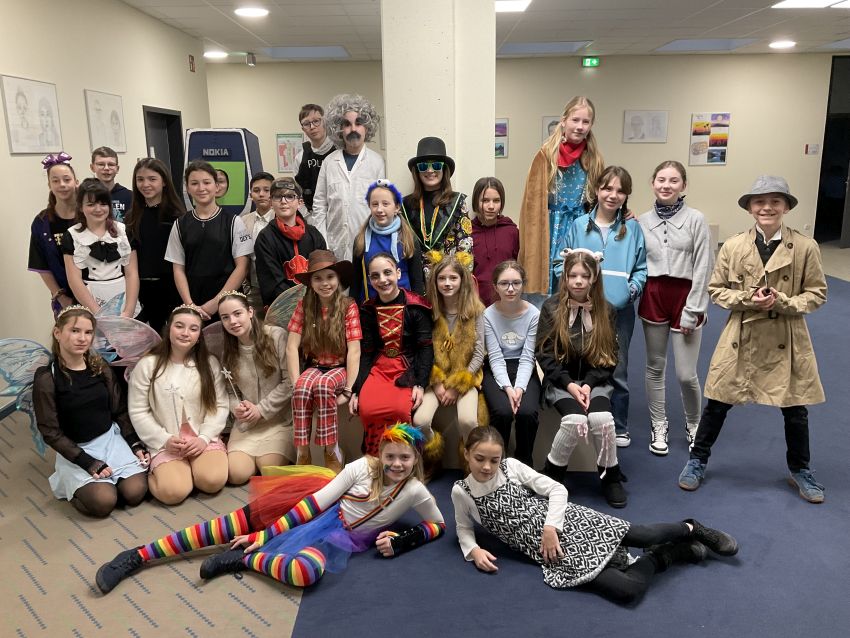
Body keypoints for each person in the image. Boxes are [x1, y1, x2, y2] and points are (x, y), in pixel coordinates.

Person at [95, 423, 444, 593]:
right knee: (224, 527)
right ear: (379, 454)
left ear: (416, 460)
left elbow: (438, 525)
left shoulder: (415, 492)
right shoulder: (361, 468)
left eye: (404, 458)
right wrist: (264, 534)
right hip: (302, 506)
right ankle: (138, 555)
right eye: (390, 456)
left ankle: (244, 561)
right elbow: (313, 504)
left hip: (334, 538)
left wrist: (402, 540)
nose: (396, 464)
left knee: (307, 572)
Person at [452, 427, 738, 603]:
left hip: (566, 522)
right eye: (479, 459)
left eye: (494, 460)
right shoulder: (462, 491)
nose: (487, 467)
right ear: (466, 454)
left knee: (643, 534)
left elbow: (557, 490)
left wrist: (551, 527)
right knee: (627, 591)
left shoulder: (511, 467)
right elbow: (463, 528)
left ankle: (692, 527)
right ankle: (669, 554)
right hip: (553, 554)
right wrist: (474, 550)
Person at [678, 176, 828, 504]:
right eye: (759, 202)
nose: (767, 208)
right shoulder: (734, 246)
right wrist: (748, 298)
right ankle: (697, 459)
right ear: (749, 208)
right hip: (741, 334)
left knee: (795, 408)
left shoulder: (805, 247)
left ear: (786, 207)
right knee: (718, 401)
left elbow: (817, 294)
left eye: (775, 201)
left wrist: (782, 302)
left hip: (786, 335)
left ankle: (800, 469)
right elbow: (716, 290)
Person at [33, 305, 149, 517]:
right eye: (74, 331)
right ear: (57, 333)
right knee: (104, 502)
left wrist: (133, 442)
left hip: (109, 440)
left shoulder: (99, 366)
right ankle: (71, 486)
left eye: (88, 332)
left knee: (135, 493)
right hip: (77, 448)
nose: (82, 338)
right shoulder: (47, 378)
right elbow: (50, 431)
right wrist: (87, 462)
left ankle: (112, 478)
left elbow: (119, 410)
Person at [536, 249, 627, 508]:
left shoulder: (607, 310)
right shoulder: (551, 308)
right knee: (575, 420)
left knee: (602, 420)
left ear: (594, 278)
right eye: (573, 275)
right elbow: (544, 354)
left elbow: (610, 356)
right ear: (564, 277)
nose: (578, 281)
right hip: (561, 382)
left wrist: (588, 384)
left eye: (585, 276)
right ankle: (553, 474)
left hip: (595, 381)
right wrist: (570, 384)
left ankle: (610, 475)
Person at [565, 167, 646, 448]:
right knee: (583, 364)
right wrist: (575, 291)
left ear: (626, 195)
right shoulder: (579, 225)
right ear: (597, 190)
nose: (613, 195)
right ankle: (586, 420)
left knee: (618, 368)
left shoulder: (632, 228)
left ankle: (619, 426)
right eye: (607, 188)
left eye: (620, 191)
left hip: (619, 312)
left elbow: (641, 268)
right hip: (583, 308)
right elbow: (561, 264)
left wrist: (630, 291)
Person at [638, 161, 714, 455]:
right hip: (654, 295)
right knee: (655, 367)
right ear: (652, 183)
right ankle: (659, 424)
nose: (666, 185)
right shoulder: (642, 221)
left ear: (683, 185)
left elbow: (704, 265)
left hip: (686, 297)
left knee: (685, 373)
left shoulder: (696, 219)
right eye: (661, 179)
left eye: (673, 180)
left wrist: (694, 309)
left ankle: (694, 424)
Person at [128, 305, 229, 505]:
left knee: (212, 481)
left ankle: (193, 470)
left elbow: (220, 405)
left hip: (201, 436)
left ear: (199, 336)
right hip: (166, 439)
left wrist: (204, 438)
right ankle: (163, 472)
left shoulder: (209, 363)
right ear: (168, 328)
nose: (185, 333)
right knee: (173, 493)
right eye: (179, 326)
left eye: (193, 329)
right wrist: (164, 439)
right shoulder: (148, 365)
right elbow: (138, 411)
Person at [518, 96, 605, 295]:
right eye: (575, 120)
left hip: (580, 227)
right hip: (550, 227)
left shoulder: (594, 158)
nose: (580, 126)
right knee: (549, 283)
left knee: (578, 280)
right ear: (564, 120)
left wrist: (623, 212)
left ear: (591, 125)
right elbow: (531, 205)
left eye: (586, 122)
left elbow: (603, 197)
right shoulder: (546, 155)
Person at [286, 250, 361, 473]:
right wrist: (295, 383)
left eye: (330, 277)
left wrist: (348, 389)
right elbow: (291, 347)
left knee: (323, 385)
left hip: (339, 368)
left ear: (338, 279)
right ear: (311, 283)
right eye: (318, 278)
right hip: (316, 365)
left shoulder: (348, 306)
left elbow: (354, 350)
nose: (325, 283)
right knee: (302, 389)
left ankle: (332, 450)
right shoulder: (304, 306)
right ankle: (302, 453)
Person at [351, 253, 434, 455]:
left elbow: (425, 348)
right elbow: (367, 352)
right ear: (370, 280)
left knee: (400, 410)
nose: (382, 280)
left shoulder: (417, 306)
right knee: (367, 409)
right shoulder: (368, 310)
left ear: (398, 273)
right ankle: (375, 460)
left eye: (387, 272)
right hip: (379, 368)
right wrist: (356, 390)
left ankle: (405, 460)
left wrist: (420, 384)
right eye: (375, 276)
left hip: (407, 368)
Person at [412, 254, 486, 458]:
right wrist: (436, 383)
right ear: (434, 282)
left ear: (462, 280)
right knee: (420, 421)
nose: (447, 283)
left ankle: (471, 460)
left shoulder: (476, 310)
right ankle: (432, 457)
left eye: (453, 278)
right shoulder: (427, 310)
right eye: (442, 278)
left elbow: (479, 352)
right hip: (436, 378)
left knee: (468, 421)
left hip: (466, 377)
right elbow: (422, 350)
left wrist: (458, 385)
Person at [218, 291, 294, 485]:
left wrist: (261, 409)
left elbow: (290, 382)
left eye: (237, 313)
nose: (232, 321)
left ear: (250, 312)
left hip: (279, 420)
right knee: (237, 474)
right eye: (225, 317)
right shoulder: (228, 351)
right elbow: (229, 391)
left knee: (269, 471)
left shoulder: (276, 336)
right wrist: (237, 408)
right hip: (247, 424)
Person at [165, 160, 253, 321]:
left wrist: (216, 302)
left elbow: (242, 267)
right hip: (192, 305)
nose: (201, 188)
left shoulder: (233, 222)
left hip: (228, 305)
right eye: (194, 183)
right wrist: (190, 305)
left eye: (206, 182)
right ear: (187, 188)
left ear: (216, 186)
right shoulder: (180, 224)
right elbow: (178, 269)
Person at [311, 94, 385, 261]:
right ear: (339, 128)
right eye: (347, 124)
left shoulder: (377, 162)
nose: (353, 129)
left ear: (367, 127)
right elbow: (320, 205)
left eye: (358, 123)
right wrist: (323, 244)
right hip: (333, 246)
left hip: (367, 246)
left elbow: (381, 207)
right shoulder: (329, 163)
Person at [482, 261, 541, 467]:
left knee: (527, 413)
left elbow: (528, 356)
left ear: (523, 285)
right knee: (502, 412)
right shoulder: (488, 314)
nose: (510, 289)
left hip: (524, 366)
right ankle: (499, 463)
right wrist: (508, 388)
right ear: (495, 286)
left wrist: (520, 388)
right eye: (504, 283)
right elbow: (495, 356)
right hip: (497, 367)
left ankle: (524, 463)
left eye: (516, 283)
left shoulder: (533, 314)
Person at [61, 178, 140, 317]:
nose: (98, 209)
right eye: (91, 204)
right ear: (80, 207)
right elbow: (74, 280)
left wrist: (128, 311)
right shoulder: (72, 235)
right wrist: (98, 313)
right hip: (90, 302)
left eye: (103, 204)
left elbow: (132, 273)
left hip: (123, 297)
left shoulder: (123, 231)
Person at [125, 158, 185, 333]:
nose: (145, 184)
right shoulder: (131, 217)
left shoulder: (177, 216)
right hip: (142, 290)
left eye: (152, 179)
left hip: (172, 288)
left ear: (164, 181)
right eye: (140, 179)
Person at [400, 137, 472, 279]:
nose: (430, 170)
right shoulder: (405, 205)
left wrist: (460, 281)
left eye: (436, 165)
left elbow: (465, 245)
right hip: (416, 280)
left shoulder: (457, 202)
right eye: (423, 166)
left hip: (448, 280)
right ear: (417, 171)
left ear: (444, 169)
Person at [254, 178, 326, 307]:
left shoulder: (314, 235)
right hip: (282, 308)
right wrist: (298, 306)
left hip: (315, 304)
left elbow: (323, 272)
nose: (283, 201)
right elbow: (272, 281)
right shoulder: (265, 238)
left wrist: (312, 303)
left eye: (290, 196)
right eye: (277, 197)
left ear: (300, 202)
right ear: (271, 202)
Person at [351, 179, 424, 302]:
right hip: (370, 307)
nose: (379, 209)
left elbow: (417, 280)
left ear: (397, 207)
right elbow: (355, 281)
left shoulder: (408, 238)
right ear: (369, 206)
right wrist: (354, 307)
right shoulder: (360, 240)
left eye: (385, 204)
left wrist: (418, 308)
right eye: (375, 204)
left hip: (403, 306)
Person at [29, 152, 79, 315]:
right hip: (64, 298)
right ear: (49, 185)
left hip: (96, 293)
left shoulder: (89, 215)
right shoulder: (41, 222)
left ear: (76, 182)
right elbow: (41, 265)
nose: (62, 184)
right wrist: (61, 297)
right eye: (55, 181)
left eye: (67, 179)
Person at [471, 177, 519, 306]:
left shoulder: (512, 232)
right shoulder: (467, 233)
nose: (491, 206)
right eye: (485, 200)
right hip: (476, 304)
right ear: (476, 201)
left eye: (496, 201)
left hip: (507, 303)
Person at [241, 171, 276, 314]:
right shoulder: (243, 221)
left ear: (274, 193)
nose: (261, 194)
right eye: (256, 190)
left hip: (278, 285)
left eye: (266, 190)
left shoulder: (281, 218)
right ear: (251, 195)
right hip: (253, 287)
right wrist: (246, 286)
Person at [293, 103, 336, 213]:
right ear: (303, 129)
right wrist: (307, 217)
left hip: (338, 214)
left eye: (316, 121)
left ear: (325, 122)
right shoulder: (300, 158)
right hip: (310, 215)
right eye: (306, 124)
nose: (312, 127)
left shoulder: (340, 151)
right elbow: (297, 193)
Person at [90, 147, 132, 224]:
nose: (106, 168)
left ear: (117, 169)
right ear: (92, 168)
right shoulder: (87, 196)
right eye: (101, 164)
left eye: (111, 164)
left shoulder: (129, 196)